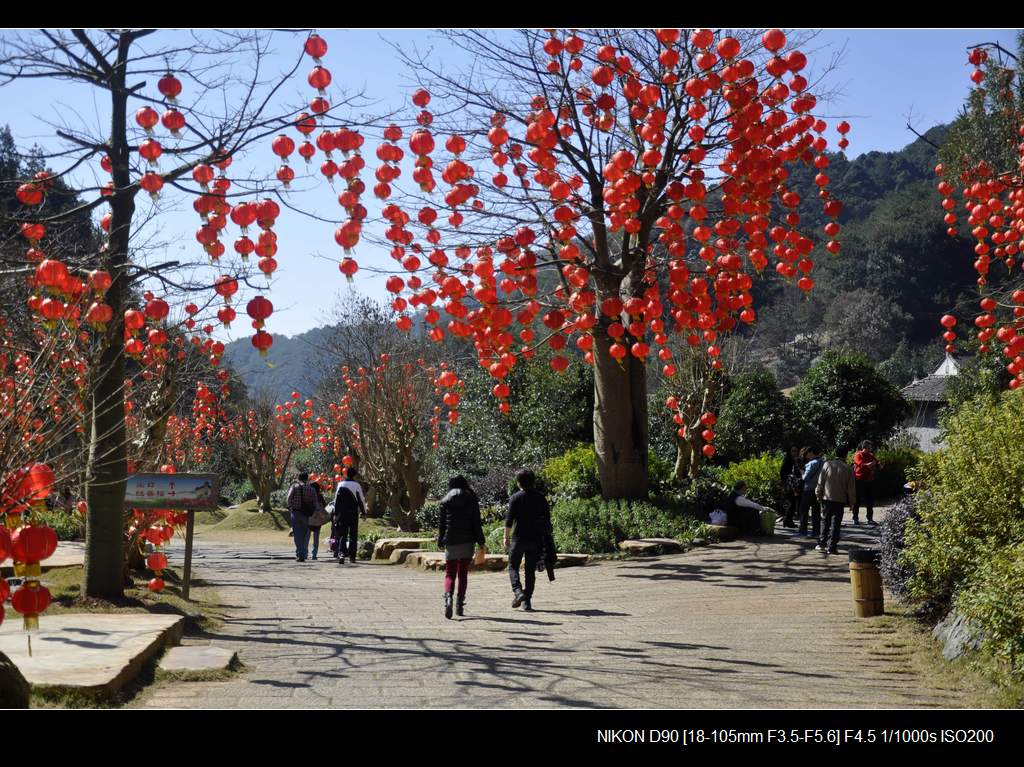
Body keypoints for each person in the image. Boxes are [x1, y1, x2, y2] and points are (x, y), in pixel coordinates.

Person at [504, 469, 552, 611]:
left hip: (518, 538)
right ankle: (527, 601)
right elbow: (547, 521)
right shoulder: (540, 498)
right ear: (533, 481)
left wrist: (505, 537)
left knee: (513, 566)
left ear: (518, 482)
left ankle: (518, 592)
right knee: (530, 570)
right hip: (535, 539)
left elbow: (509, 520)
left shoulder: (515, 498)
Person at [437, 476, 485, 619]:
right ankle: (459, 604)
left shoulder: (445, 500)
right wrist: (481, 541)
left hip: (451, 540)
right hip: (467, 540)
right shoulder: (471, 499)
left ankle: (448, 599)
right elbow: (476, 522)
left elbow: (442, 524)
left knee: (450, 573)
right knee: (462, 574)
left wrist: (441, 540)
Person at [815, 445, 857, 555]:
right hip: (840, 499)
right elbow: (851, 488)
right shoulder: (848, 468)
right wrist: (852, 503)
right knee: (836, 523)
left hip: (827, 498)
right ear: (845, 455)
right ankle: (832, 547)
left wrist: (818, 495)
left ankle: (822, 543)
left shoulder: (827, 464)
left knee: (825, 520)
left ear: (835, 453)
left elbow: (820, 482)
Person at [332, 467, 366, 564]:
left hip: (342, 513)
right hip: (353, 513)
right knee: (353, 535)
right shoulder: (356, 485)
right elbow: (361, 500)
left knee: (343, 534)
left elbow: (336, 500)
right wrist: (364, 513)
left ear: (346, 474)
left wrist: (335, 513)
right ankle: (352, 557)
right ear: (355, 475)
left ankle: (342, 553)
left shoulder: (340, 484)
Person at [286, 471, 318, 562]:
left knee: (297, 534)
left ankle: (300, 554)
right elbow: (315, 502)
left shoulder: (294, 487)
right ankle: (302, 553)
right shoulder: (311, 489)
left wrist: (290, 507)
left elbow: (289, 498)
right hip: (306, 514)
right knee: (304, 534)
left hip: (296, 512)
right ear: (307, 478)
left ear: (298, 478)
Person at [852, 440, 882, 525]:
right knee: (857, 500)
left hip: (869, 480)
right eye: (869, 447)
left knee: (870, 500)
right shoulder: (858, 455)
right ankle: (855, 518)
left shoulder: (871, 455)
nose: (870, 449)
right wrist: (872, 463)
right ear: (864, 447)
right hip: (859, 480)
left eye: (871, 447)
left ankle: (870, 519)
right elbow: (862, 465)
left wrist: (879, 464)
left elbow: (878, 463)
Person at [797, 446, 824, 539]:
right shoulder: (823, 463)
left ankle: (803, 531)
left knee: (804, 511)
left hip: (808, 490)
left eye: (807, 453)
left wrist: (801, 471)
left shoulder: (811, 463)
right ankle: (816, 532)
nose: (806, 456)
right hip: (819, 490)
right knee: (816, 512)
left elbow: (805, 477)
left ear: (812, 453)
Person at [780, 446, 803, 527]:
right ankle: (787, 521)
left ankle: (788, 521)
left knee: (793, 504)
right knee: (791, 503)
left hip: (794, 485)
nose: (795, 452)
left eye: (796, 451)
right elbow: (782, 473)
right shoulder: (788, 460)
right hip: (789, 485)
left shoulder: (796, 460)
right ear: (790, 452)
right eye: (793, 451)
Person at [307, 482, 330, 560]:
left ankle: (305, 553)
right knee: (316, 538)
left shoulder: (308, 496)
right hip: (318, 520)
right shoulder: (320, 496)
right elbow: (325, 505)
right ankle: (314, 554)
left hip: (309, 519)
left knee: (306, 537)